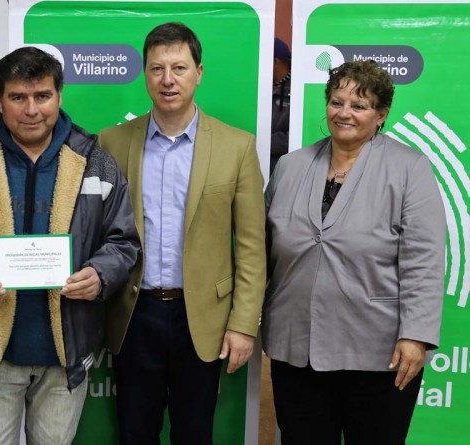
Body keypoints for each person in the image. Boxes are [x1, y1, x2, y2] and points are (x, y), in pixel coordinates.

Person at [0, 46, 140, 445]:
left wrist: (99, 275)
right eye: (18, 97)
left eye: (42, 96)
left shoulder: (95, 161)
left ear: (59, 96)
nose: (31, 110)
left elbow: (123, 240)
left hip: (67, 352)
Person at [99, 22, 266, 445]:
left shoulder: (237, 147)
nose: (167, 80)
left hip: (204, 318)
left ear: (199, 73)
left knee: (194, 434)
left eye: (179, 68)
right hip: (134, 314)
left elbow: (251, 246)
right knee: (135, 432)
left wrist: (244, 325)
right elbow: (97, 231)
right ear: (145, 74)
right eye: (157, 69)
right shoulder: (112, 142)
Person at [263, 60, 446, 444]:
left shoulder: (410, 168)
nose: (344, 113)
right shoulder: (290, 167)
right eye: (337, 102)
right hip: (297, 352)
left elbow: (424, 261)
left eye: (359, 106)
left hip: (379, 357)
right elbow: (261, 250)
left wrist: (416, 336)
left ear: (381, 115)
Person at [270, 37, 291, 173]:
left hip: (282, 170)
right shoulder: (258, 86)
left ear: (276, 62)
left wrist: (260, 140)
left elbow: (295, 136)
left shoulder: (298, 90)